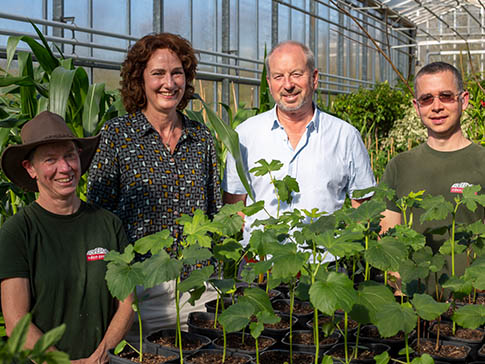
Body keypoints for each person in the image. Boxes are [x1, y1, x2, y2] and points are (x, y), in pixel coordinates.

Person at [87, 33, 221, 335]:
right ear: (140, 80)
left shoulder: (201, 139)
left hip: (197, 289)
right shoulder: (118, 136)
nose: (169, 83)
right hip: (141, 293)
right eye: (158, 73)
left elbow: (214, 213)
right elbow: (98, 218)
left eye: (177, 73)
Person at [0, 111, 133, 362]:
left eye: (70, 155)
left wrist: (101, 354)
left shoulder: (108, 224)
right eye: (50, 160)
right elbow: (16, 322)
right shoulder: (18, 232)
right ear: (30, 168)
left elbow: (127, 304)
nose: (65, 168)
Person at [222, 40, 375, 248]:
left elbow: (363, 208)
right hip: (260, 267)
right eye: (278, 77)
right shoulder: (245, 136)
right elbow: (234, 205)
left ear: (314, 78)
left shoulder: (345, 136)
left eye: (296, 74)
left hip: (323, 265)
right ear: (269, 83)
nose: (288, 85)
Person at [380, 62, 485, 287]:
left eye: (445, 96)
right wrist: (402, 299)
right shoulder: (399, 166)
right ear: (417, 106)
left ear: (463, 100)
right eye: (427, 99)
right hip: (415, 301)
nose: (436, 107)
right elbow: (389, 242)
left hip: (472, 301)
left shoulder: (481, 161)